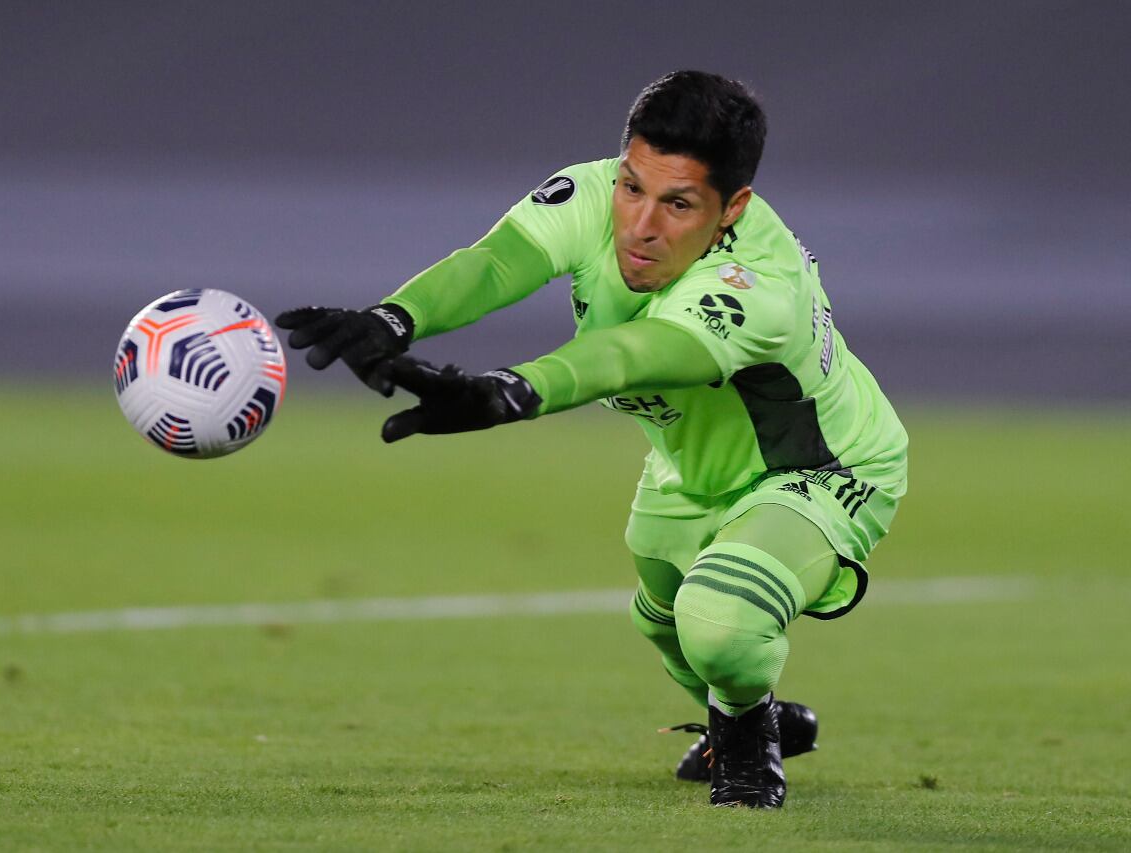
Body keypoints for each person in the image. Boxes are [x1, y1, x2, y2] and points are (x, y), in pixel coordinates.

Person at [275, 70, 908, 809]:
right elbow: (496, 261)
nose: (641, 224)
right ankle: (758, 712)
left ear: (731, 208)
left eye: (679, 204)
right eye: (633, 187)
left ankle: (745, 750)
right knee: (663, 624)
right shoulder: (594, 192)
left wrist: (507, 392)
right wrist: (394, 318)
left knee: (720, 622)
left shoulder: (759, 283)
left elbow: (630, 355)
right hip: (687, 467)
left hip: (822, 469)